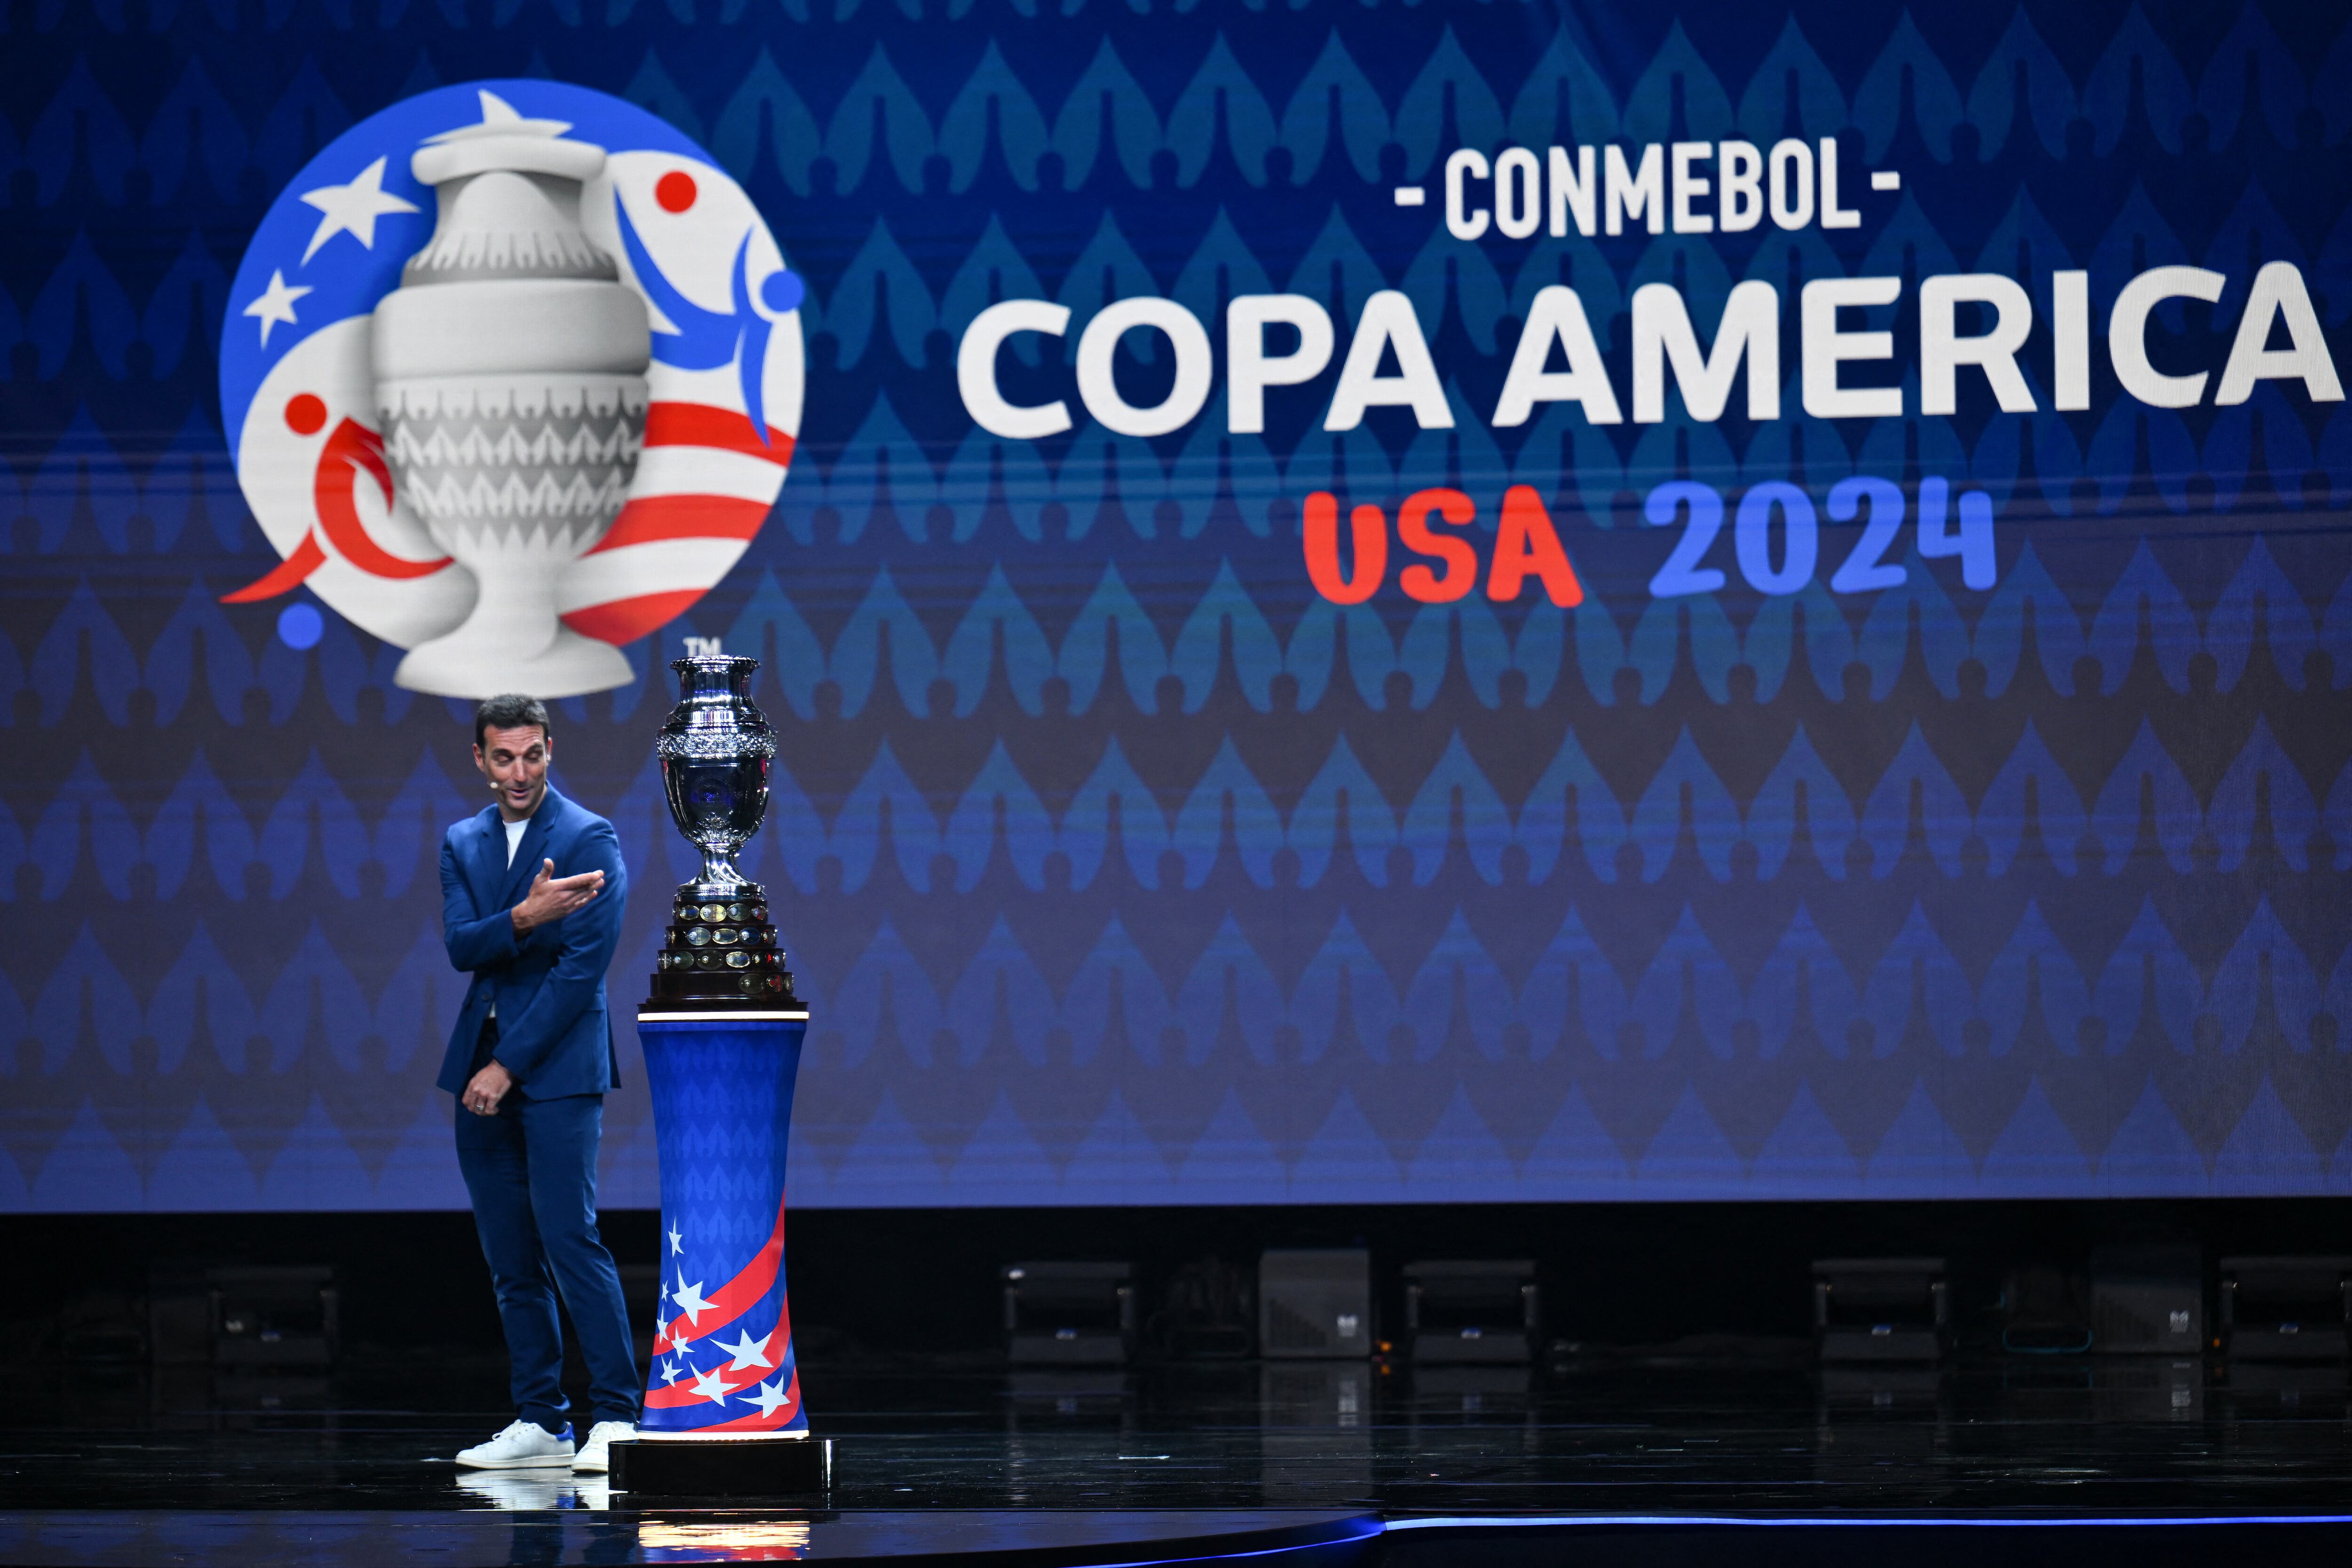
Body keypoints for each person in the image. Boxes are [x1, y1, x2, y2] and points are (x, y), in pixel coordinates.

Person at [437, 693, 638, 1473]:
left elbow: (581, 969)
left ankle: (617, 1414)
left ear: (550, 750)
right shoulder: (462, 841)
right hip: (480, 1070)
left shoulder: (589, 835)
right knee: (509, 1254)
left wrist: (506, 1065)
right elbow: (462, 946)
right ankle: (542, 1420)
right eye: (503, 756)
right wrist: (523, 917)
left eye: (532, 754)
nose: (519, 772)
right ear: (480, 760)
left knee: (568, 1238)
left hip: (553, 1068)